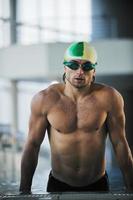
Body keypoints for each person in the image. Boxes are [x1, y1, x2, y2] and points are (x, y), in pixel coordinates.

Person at [19, 41, 133, 193]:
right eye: (73, 65)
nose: (80, 72)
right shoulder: (45, 99)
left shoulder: (109, 98)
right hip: (58, 183)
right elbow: (33, 145)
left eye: (87, 66)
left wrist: (131, 188)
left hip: (97, 183)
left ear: (94, 71)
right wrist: (23, 190)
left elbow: (120, 143)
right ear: (65, 67)